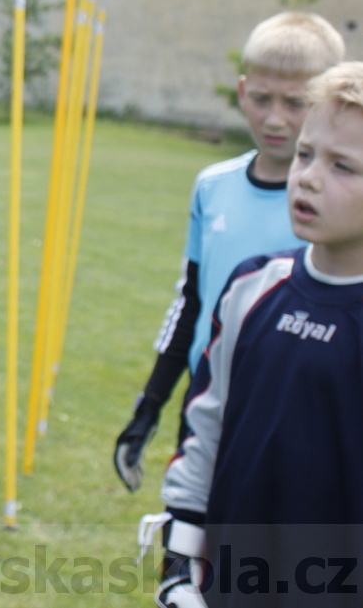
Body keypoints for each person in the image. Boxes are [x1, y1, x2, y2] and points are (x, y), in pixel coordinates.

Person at [152, 60, 363, 608]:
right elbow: (205, 428)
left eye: (344, 166)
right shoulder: (252, 286)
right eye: (305, 154)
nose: (310, 176)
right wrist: (179, 565)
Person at [113, 12, 346, 493]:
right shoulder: (212, 187)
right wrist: (152, 401)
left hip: (294, 414)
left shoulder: (337, 209)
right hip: (208, 405)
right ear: (242, 92)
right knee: (192, 544)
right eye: (262, 99)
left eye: (296, 103)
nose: (276, 118)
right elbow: (191, 301)